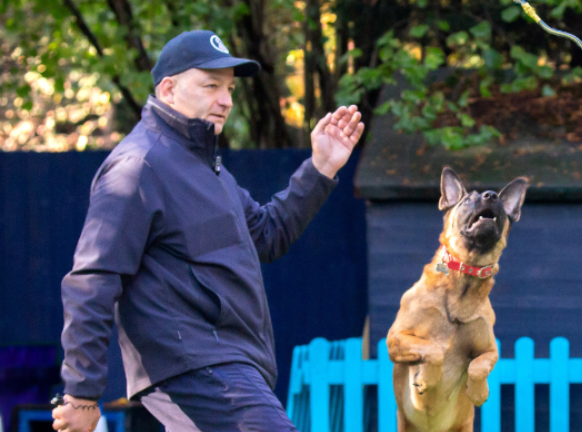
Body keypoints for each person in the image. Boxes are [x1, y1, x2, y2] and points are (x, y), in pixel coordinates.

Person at [52, 30, 364, 432]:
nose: (227, 100)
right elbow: (92, 279)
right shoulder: (138, 166)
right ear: (168, 89)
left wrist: (321, 167)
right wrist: (81, 394)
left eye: (230, 88)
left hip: (233, 366)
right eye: (211, 85)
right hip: (195, 368)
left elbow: (268, 235)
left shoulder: (208, 169)